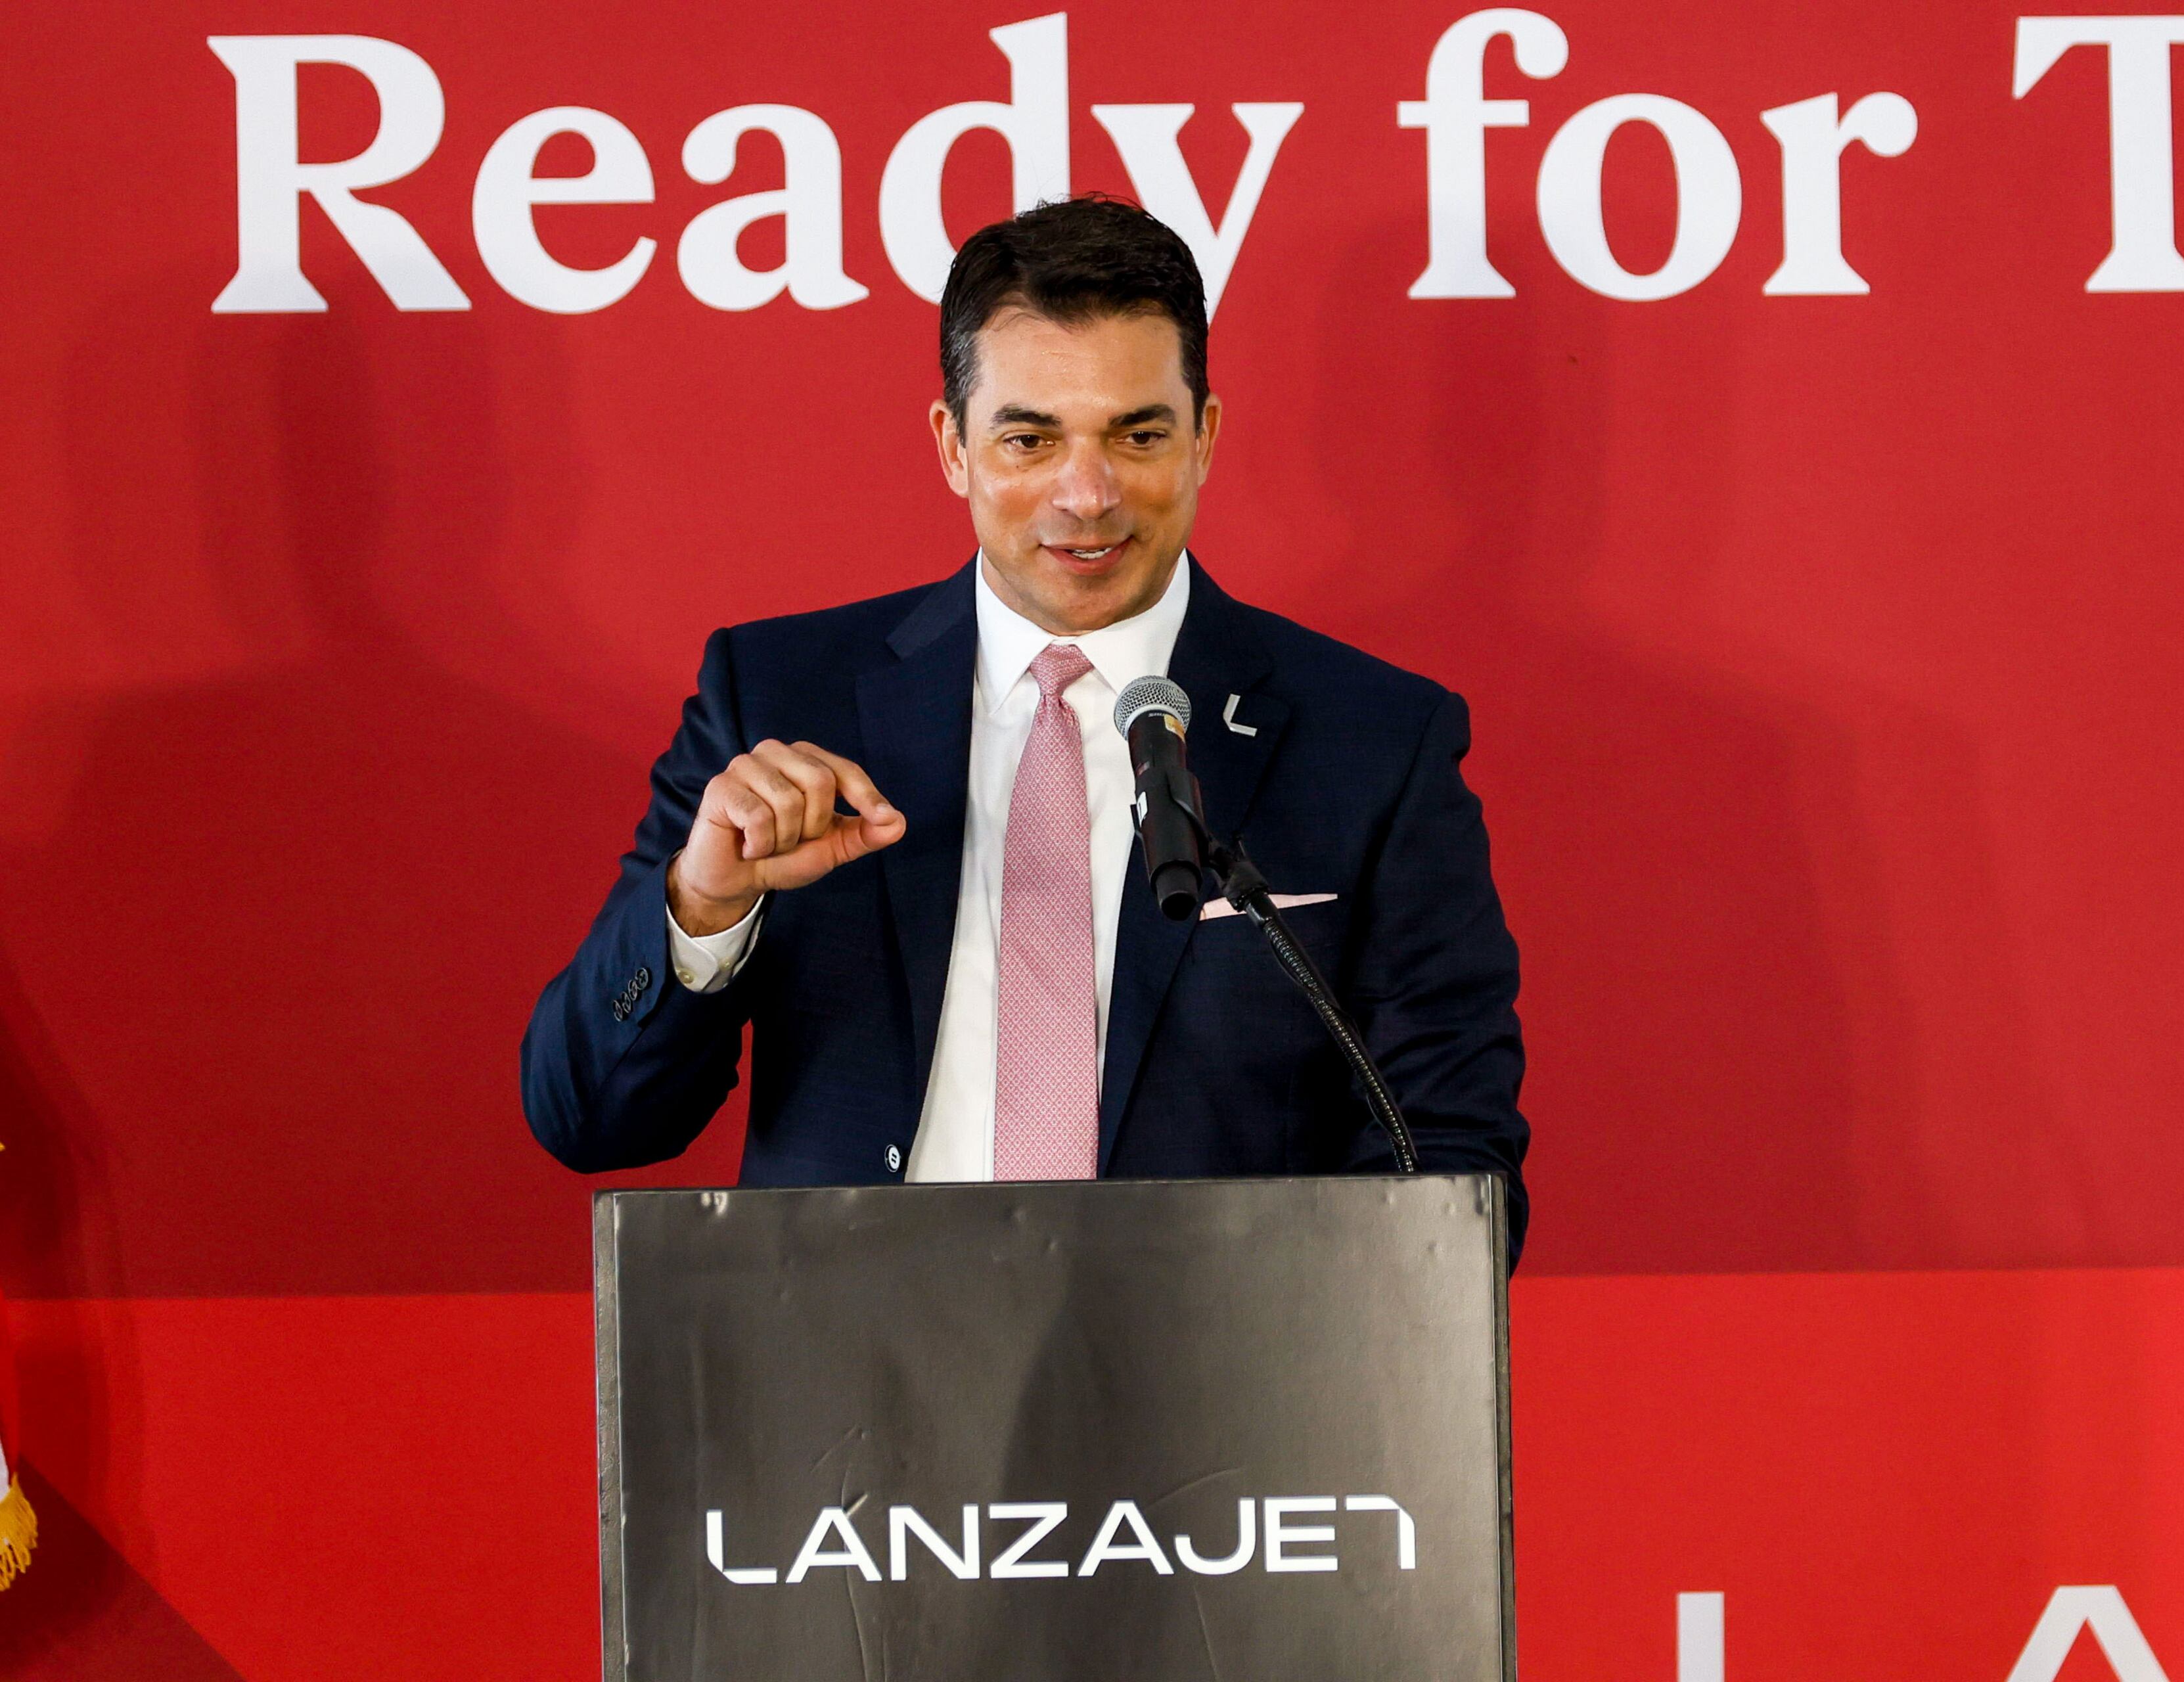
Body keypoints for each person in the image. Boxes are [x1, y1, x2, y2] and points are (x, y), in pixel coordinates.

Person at [521, 196, 1529, 1258]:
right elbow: (588, 1119)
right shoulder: (779, 699)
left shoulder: (1372, 740)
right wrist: (704, 907)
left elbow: (1450, 1167)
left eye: (1138, 434)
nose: (1087, 495)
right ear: (954, 447)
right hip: (841, 1384)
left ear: (1205, 439)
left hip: (1219, 1393)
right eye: (1030, 438)